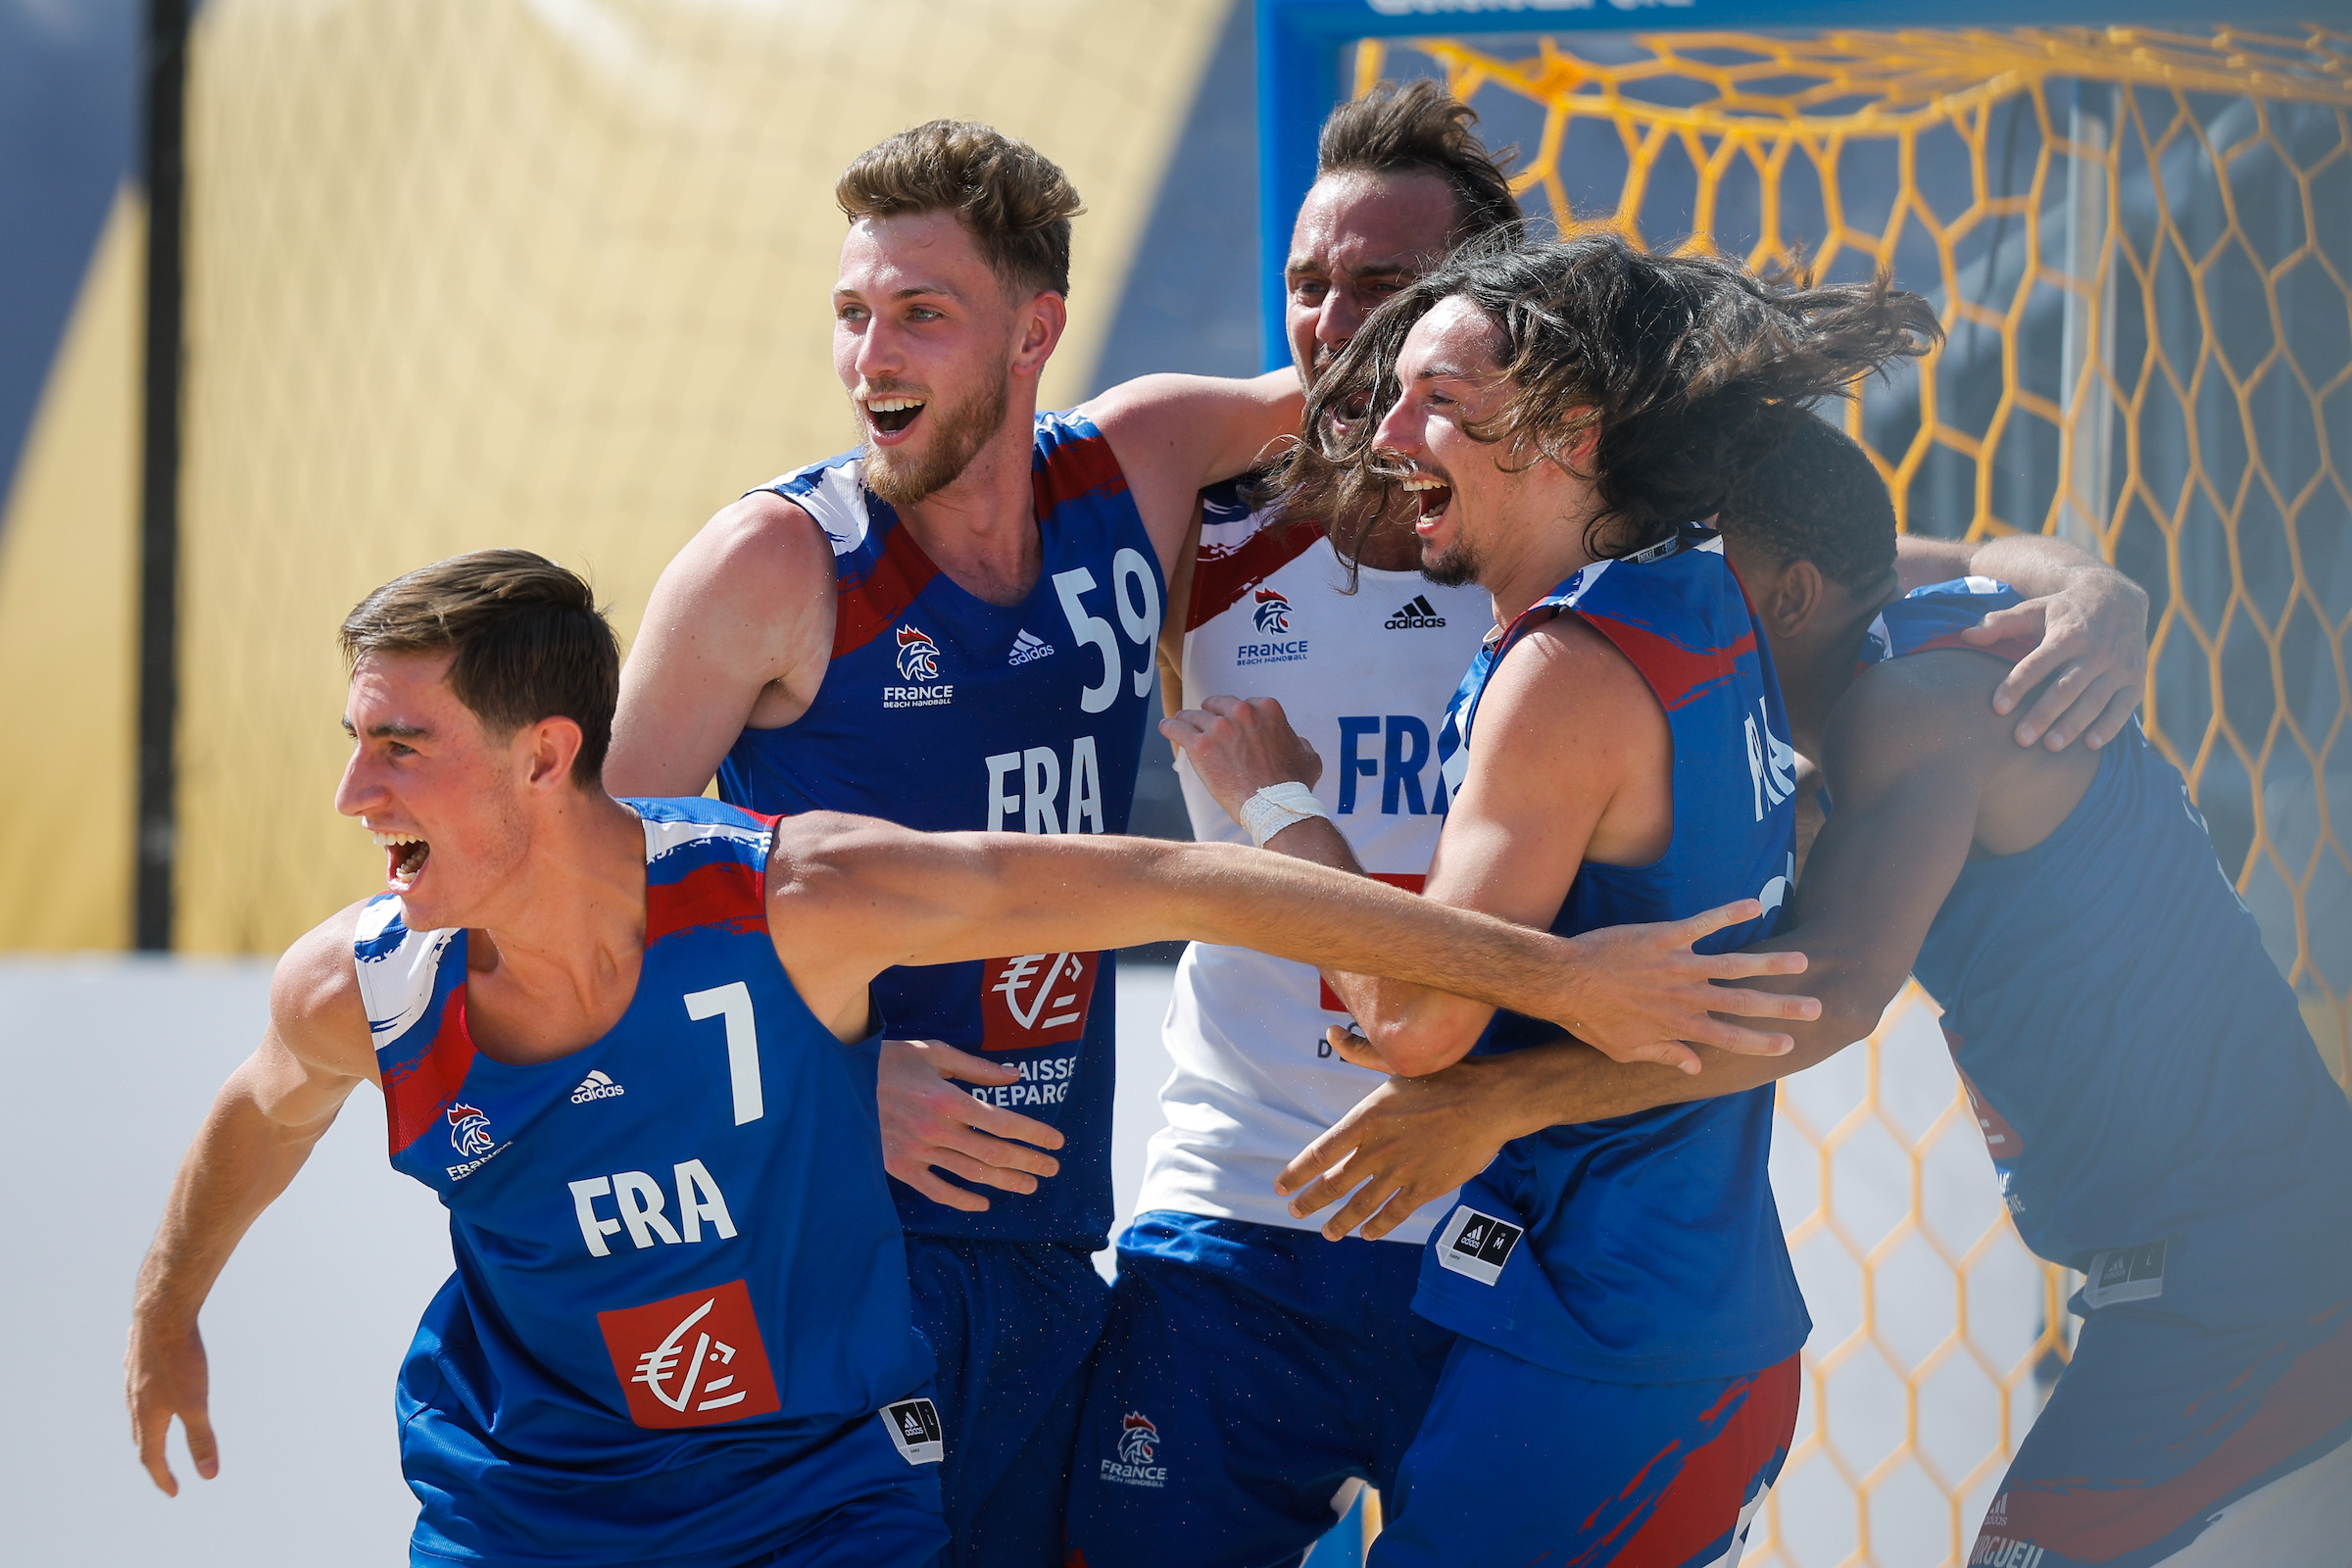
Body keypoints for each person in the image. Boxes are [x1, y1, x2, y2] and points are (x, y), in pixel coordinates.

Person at [601, 117, 1815, 1566]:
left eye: (920, 314)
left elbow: (1836, 573)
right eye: (857, 315)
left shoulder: (1563, 581)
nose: (1333, 322)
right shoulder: (1118, 524)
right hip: (1124, 1231)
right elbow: (591, 895)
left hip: (1399, 1240)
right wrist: (825, 1086)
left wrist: (2035, 581)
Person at [122, 550, 1811, 1568]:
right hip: (532, 1511)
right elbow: (251, 1125)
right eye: (357, 748)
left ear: (549, 754)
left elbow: (1164, 878)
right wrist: (164, 1309)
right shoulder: (362, 991)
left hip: (810, 1503)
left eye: (400, 749)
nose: (357, 800)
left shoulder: (795, 901)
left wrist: (1549, 976)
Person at [1067, 81, 2154, 1568]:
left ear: (1494, 317)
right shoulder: (1210, 506)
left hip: (1515, 1253)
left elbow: (1923, 565)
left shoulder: (1599, 604)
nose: (1333, 326)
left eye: (1388, 295)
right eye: (1307, 285)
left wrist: (2092, 592)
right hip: (1254, 1216)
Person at [1277, 417, 2352, 1564]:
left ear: (1791, 596)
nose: (1661, 610)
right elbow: (1985, 549)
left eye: (1695, 582)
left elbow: (1827, 1001)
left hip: (2247, 1287)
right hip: (2222, 1266)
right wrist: (2092, 583)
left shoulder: (1909, 710)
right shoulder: (1889, 626)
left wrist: (1500, 1098)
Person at [1163, 234, 1938, 1564]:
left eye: (1439, 404)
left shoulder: (1562, 672)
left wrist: (1278, 804)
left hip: (1611, 1357)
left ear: (1573, 429)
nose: (1383, 426)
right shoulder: (1708, 594)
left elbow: (1413, 1022)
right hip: (1664, 1332)